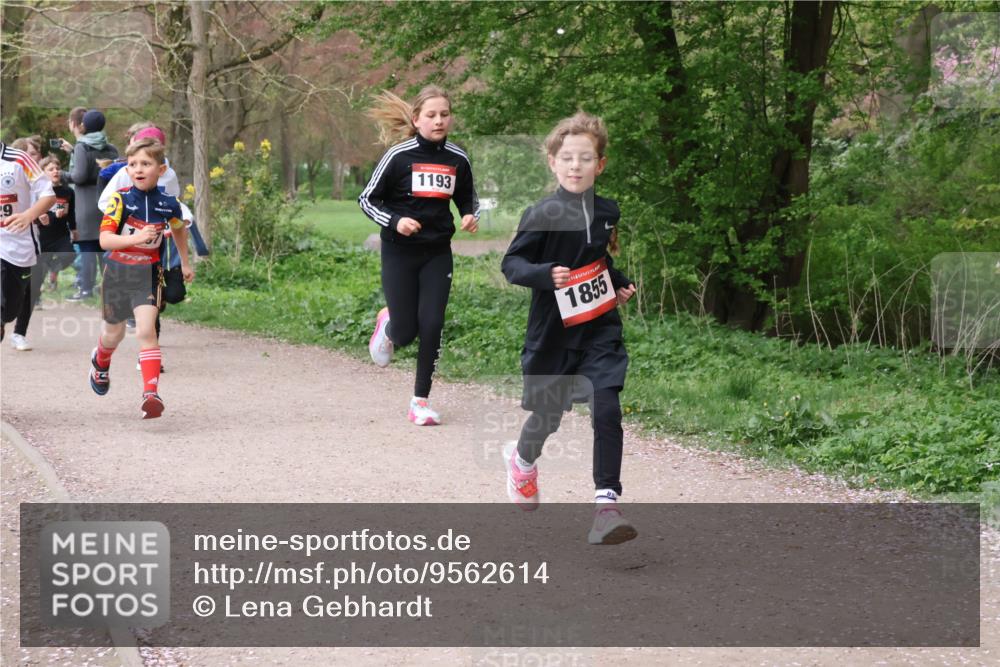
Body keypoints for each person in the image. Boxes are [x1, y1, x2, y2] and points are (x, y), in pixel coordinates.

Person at [500, 112, 638, 545]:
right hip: (553, 335)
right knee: (548, 417)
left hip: (599, 331)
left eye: (585, 158)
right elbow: (512, 265)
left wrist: (616, 282)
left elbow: (597, 257)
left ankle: (606, 506)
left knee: (606, 406)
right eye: (567, 158)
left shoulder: (607, 211)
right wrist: (546, 274)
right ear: (552, 163)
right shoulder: (540, 214)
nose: (575, 166)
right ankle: (522, 462)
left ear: (601, 164)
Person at [358, 85, 480, 425]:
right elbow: (367, 199)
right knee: (407, 332)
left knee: (433, 323)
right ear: (417, 119)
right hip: (399, 253)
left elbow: (469, 198)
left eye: (444, 114)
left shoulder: (458, 158)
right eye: (431, 115)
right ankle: (389, 325)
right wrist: (396, 222)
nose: (438, 120)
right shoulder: (399, 156)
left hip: (437, 253)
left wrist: (471, 215)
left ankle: (420, 401)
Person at [89, 138, 192, 419]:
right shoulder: (120, 200)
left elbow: (180, 228)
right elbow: (105, 239)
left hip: (148, 273)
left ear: (161, 169)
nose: (138, 169)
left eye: (145, 163)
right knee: (114, 334)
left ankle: (151, 394)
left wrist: (184, 261)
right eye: (132, 164)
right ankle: (101, 360)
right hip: (118, 274)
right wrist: (135, 237)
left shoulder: (169, 204)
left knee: (147, 331)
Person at [9, 155, 76, 350]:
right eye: (50, 168)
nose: (55, 171)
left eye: (57, 168)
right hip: (39, 241)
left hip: (60, 237)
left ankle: (18, 334)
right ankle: (15, 331)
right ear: (41, 173)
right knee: (28, 291)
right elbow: (25, 214)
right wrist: (39, 218)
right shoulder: (32, 192)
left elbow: (72, 214)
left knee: (69, 254)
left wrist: (73, 228)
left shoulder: (66, 192)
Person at [1, 141, 56, 345]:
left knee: (9, 311)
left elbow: (48, 195)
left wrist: (28, 215)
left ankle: (7, 321)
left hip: (18, 245)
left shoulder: (20, 160)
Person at [61, 107, 118, 301]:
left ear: (83, 125)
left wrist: (62, 175)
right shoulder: (111, 148)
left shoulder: (82, 147)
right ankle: (110, 289)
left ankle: (85, 289)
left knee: (87, 248)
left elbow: (79, 176)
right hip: (106, 202)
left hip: (85, 203)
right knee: (105, 247)